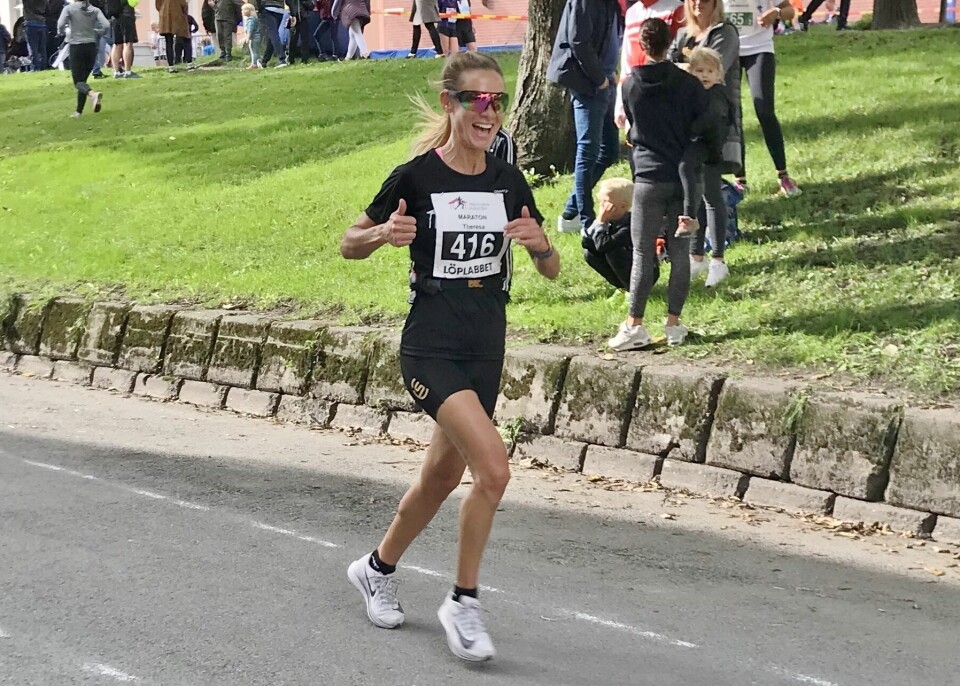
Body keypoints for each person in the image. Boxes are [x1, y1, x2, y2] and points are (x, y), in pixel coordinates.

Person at [340, 52, 560, 662]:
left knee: (440, 477)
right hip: (430, 346)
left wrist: (542, 246)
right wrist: (384, 235)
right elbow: (348, 242)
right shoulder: (415, 177)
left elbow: (550, 267)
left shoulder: (509, 180)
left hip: (485, 345)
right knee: (493, 469)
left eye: (497, 100)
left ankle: (376, 567)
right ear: (451, 104)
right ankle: (463, 603)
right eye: (476, 100)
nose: (489, 112)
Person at [609, 18, 708, 351]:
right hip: (681, 179)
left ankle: (634, 324)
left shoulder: (630, 85)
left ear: (641, 45)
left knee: (641, 253)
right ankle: (674, 325)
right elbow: (700, 123)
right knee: (680, 256)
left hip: (647, 178)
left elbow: (633, 127)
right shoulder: (689, 84)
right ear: (671, 43)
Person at [668, 0, 740, 287]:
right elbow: (671, 67)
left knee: (711, 194)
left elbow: (711, 65)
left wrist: (679, 68)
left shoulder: (725, 32)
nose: (699, 4)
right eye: (693, 0)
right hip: (687, 134)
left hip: (713, 136)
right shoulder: (683, 35)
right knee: (694, 192)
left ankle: (718, 259)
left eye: (705, 0)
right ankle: (697, 256)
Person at [546, 0, 622, 233]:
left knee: (609, 152)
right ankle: (587, 221)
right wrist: (599, 79)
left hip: (606, 80)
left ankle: (571, 211)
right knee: (588, 150)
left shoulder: (611, 4)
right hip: (589, 83)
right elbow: (578, 40)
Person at [726, 0, 801, 197]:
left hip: (759, 48)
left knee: (764, 109)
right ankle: (739, 179)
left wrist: (775, 12)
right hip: (728, 49)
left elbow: (789, 11)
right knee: (733, 114)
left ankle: (783, 176)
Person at [676, 46, 734, 241]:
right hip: (702, 143)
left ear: (718, 74)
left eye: (710, 71)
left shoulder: (717, 93)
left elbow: (713, 117)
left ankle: (689, 215)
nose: (705, 76)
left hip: (709, 146)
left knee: (690, 172)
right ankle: (697, 252)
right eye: (699, 71)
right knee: (701, 189)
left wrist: (691, 132)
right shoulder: (692, 92)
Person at [582, 177, 636, 292]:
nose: (601, 206)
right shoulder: (609, 221)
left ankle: (633, 289)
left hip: (643, 273)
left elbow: (604, 245)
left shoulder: (629, 225)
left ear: (622, 206)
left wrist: (601, 222)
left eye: (605, 202)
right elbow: (587, 243)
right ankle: (622, 287)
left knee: (612, 251)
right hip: (625, 266)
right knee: (590, 253)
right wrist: (598, 222)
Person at [58, 0, 108, 117]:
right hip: (91, 46)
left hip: (76, 46)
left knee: (78, 82)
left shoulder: (69, 9)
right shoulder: (95, 10)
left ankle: (93, 95)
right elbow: (106, 25)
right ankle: (78, 111)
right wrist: (99, 33)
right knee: (83, 80)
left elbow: (60, 24)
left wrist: (61, 32)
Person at [157, 0, 193, 71]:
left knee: (168, 42)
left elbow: (157, 5)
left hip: (165, 16)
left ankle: (171, 66)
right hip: (177, 15)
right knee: (186, 39)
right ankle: (189, 63)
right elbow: (183, 4)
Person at [109, 0, 140, 78]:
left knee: (116, 44)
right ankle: (128, 71)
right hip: (127, 15)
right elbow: (133, 3)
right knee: (128, 43)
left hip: (114, 17)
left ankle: (116, 72)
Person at [23, 0, 49, 71]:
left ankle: (35, 67)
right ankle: (43, 66)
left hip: (30, 23)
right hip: (42, 23)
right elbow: (48, 11)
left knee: (33, 48)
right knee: (42, 48)